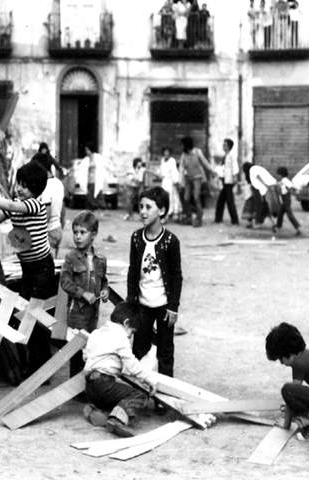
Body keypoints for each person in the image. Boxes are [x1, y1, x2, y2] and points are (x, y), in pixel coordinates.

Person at [0, 161, 54, 377]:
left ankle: (39, 368)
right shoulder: (16, 203)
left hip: (42, 269)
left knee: (33, 317)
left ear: (35, 188)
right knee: (24, 315)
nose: (19, 188)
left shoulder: (35, 204)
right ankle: (37, 363)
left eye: (24, 185)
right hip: (28, 269)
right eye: (19, 184)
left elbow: (13, 207)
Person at [127, 187, 182, 413]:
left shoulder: (170, 241)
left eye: (148, 207)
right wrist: (131, 303)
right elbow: (132, 272)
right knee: (139, 348)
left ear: (161, 210)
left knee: (165, 352)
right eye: (141, 207)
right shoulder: (136, 238)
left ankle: (164, 398)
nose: (143, 212)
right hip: (142, 306)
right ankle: (141, 394)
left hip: (163, 306)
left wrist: (173, 308)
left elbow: (177, 276)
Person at [83, 302, 158, 437]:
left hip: (90, 387)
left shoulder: (96, 333)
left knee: (115, 397)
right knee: (139, 395)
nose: (130, 336)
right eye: (132, 331)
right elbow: (133, 365)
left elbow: (86, 356)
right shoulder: (120, 337)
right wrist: (149, 380)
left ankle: (96, 411)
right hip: (104, 384)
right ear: (126, 323)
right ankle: (118, 420)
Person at [60, 211, 109, 378]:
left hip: (93, 313)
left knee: (89, 348)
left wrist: (105, 291)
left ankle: (85, 384)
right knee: (76, 350)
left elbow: (104, 281)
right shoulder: (71, 258)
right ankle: (75, 387)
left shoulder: (100, 260)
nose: (78, 237)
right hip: (77, 313)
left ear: (93, 234)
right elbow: (65, 282)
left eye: (83, 232)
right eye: (75, 232)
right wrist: (82, 294)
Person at [35, 152, 65, 258]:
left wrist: (38, 233)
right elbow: (63, 210)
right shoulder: (58, 183)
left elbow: (47, 213)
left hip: (49, 232)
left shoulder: (45, 186)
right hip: (57, 229)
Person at [178, 136, 213, 227]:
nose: (181, 146)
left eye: (182, 144)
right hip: (188, 178)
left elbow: (205, 162)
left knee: (196, 197)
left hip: (197, 177)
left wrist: (212, 170)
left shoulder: (197, 152)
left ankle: (199, 218)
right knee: (186, 198)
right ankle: (188, 217)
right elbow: (181, 168)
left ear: (186, 145)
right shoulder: (184, 155)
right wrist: (180, 181)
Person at [242, 162, 276, 229]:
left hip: (257, 195)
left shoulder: (252, 174)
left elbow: (258, 177)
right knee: (263, 208)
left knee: (256, 208)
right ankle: (273, 223)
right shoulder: (252, 175)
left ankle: (256, 223)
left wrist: (264, 184)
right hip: (258, 195)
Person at [214, 138, 240, 225]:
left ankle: (234, 220)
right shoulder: (226, 156)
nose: (223, 146)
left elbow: (235, 167)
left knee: (228, 200)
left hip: (229, 181)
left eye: (225, 145)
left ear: (229, 146)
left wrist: (235, 177)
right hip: (225, 180)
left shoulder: (232, 155)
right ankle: (219, 218)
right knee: (223, 200)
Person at [275, 166, 301, 236]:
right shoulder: (282, 181)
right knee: (280, 214)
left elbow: (290, 186)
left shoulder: (285, 180)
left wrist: (295, 191)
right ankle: (277, 226)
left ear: (281, 174)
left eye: (278, 174)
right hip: (284, 200)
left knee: (289, 215)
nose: (277, 176)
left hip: (286, 200)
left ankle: (298, 227)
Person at [159, 147, 182, 222]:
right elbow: (162, 171)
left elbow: (174, 171)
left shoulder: (172, 161)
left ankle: (171, 214)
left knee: (172, 198)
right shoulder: (162, 160)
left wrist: (176, 181)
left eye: (167, 152)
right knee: (164, 198)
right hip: (164, 181)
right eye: (165, 152)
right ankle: (165, 215)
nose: (166, 154)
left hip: (171, 182)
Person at [83, 142, 108, 211]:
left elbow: (106, 164)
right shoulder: (86, 160)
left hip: (96, 180)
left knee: (95, 195)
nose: (86, 152)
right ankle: (94, 210)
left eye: (87, 150)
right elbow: (80, 167)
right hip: (89, 180)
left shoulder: (97, 157)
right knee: (90, 196)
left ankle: (100, 207)